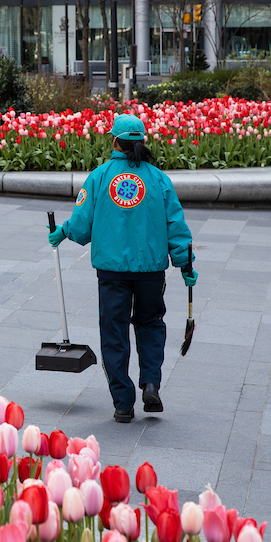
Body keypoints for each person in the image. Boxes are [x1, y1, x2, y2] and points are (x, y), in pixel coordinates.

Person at [48, 113, 196, 423]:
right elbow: (176, 226)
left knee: (113, 332)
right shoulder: (159, 179)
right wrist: (185, 265)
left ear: (114, 141)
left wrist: (63, 231)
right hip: (151, 271)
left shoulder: (100, 177)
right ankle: (151, 383)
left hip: (112, 272)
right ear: (143, 141)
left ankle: (123, 403)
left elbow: (82, 225)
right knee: (151, 323)